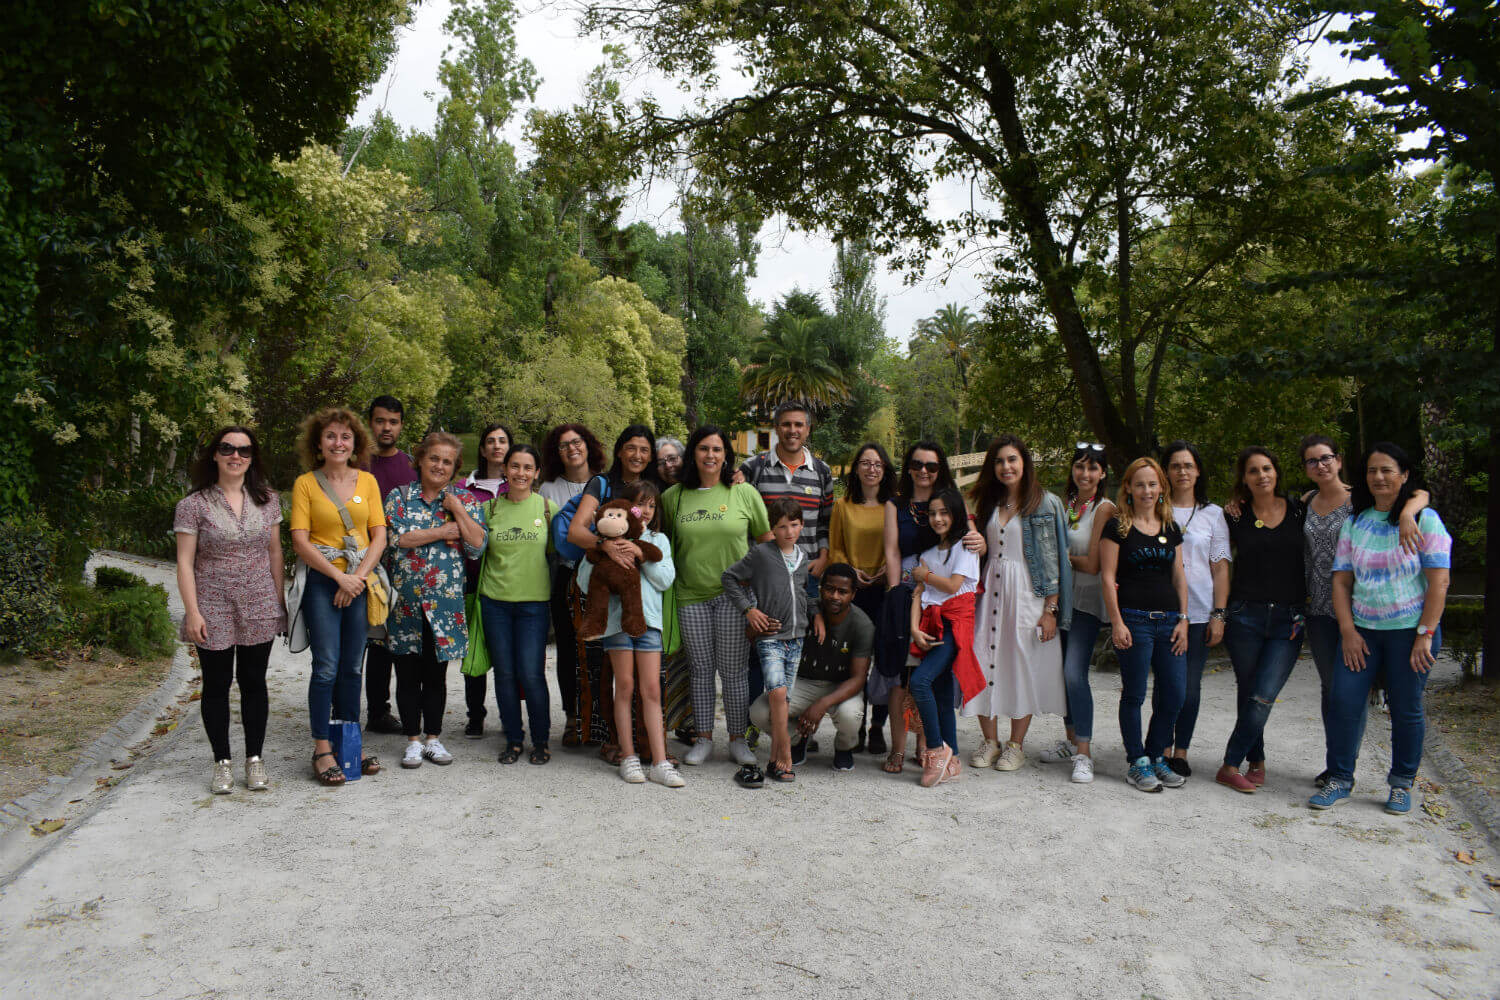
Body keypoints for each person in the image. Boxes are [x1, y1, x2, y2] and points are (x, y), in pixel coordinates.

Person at [1310, 443, 1451, 815]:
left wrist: (1425, 634)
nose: (1378, 477)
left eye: (1387, 470)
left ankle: (1402, 784)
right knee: (1344, 702)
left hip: (1411, 633)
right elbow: (1341, 582)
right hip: (1363, 633)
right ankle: (1340, 779)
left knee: (1405, 709)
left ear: (1404, 475)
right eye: (1372, 470)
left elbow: (1439, 582)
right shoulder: (1355, 523)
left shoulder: (1425, 520)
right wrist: (1348, 631)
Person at [1297, 433, 1428, 787]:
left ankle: (1346, 766)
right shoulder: (1305, 502)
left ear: (1338, 460)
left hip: (1362, 612)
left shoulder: (1364, 497)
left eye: (1326, 458)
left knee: (1356, 692)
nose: (1320, 465)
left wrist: (1409, 512)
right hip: (1320, 608)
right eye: (1312, 461)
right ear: (1306, 469)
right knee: (1334, 691)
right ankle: (1337, 766)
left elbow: (1417, 492)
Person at [174, 427, 287, 794]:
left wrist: (279, 602)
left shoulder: (268, 500)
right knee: (217, 684)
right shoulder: (193, 505)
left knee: (254, 682)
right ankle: (221, 762)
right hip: (212, 602)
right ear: (215, 454)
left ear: (252, 458)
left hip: (258, 601)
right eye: (227, 448)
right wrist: (193, 611)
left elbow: (275, 552)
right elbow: (184, 561)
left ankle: (254, 759)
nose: (235, 456)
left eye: (244, 450)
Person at [660, 425, 772, 768]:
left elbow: (766, 543)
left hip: (734, 597)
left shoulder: (744, 492)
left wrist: (765, 593)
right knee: (700, 670)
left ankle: (738, 739)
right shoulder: (674, 497)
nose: (710, 455)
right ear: (693, 453)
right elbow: (664, 544)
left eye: (717, 449)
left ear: (726, 455)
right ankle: (703, 738)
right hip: (690, 595)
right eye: (703, 448)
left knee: (734, 671)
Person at [963, 435, 1073, 776]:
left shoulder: (1045, 503)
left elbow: (1055, 558)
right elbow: (979, 549)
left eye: (1012, 459)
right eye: (999, 461)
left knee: (1021, 664)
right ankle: (990, 741)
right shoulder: (988, 502)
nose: (1006, 466)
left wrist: (1050, 610)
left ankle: (1015, 745)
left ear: (1024, 463)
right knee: (983, 660)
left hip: (1027, 593)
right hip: (989, 592)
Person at [289, 407, 388, 786]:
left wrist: (356, 579)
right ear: (318, 443)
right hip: (323, 582)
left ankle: (349, 744)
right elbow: (300, 541)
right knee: (326, 667)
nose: (338, 443)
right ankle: (321, 749)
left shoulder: (368, 482)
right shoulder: (306, 484)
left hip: (359, 582)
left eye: (345, 437)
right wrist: (338, 578)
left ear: (355, 443)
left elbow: (379, 535)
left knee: (352, 668)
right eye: (330, 436)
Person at [875, 441, 984, 774]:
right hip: (909, 594)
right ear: (908, 468)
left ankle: (929, 747)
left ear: (941, 469)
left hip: (942, 601)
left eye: (932, 466)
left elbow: (971, 541)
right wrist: (897, 593)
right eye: (917, 464)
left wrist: (981, 541)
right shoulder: (896, 505)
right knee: (901, 676)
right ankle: (899, 748)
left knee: (931, 679)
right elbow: (892, 551)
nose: (924, 471)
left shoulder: (949, 501)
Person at [383, 432, 488, 770]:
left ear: (455, 467)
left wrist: (457, 510)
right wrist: (442, 532)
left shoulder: (465, 500)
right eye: (434, 458)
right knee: (406, 673)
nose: (440, 466)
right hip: (406, 605)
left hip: (444, 607)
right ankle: (412, 741)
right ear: (420, 460)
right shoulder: (399, 497)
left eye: (447, 461)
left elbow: (477, 545)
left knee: (436, 674)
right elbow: (397, 539)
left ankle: (433, 738)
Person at [1211, 447, 1307, 793]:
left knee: (1264, 693)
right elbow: (1219, 560)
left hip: (1288, 619)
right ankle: (1256, 760)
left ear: (1276, 472)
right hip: (1245, 616)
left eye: (1267, 468)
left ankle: (1229, 763)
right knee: (1249, 690)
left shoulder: (1299, 509)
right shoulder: (1234, 516)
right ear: (1244, 478)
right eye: (1253, 471)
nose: (1261, 475)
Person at [577, 481, 684, 787]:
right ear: (625, 507)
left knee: (651, 690)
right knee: (623, 686)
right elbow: (584, 581)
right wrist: (605, 552)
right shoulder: (605, 540)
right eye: (639, 504)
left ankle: (660, 762)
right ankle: (628, 756)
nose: (645, 511)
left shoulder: (658, 540)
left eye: (651, 505)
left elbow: (665, 579)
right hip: (616, 624)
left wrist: (640, 554)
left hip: (650, 624)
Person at [738, 402, 835, 725]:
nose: (793, 430)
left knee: (800, 653)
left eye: (799, 425)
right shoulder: (754, 468)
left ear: (808, 429)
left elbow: (825, 522)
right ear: (776, 427)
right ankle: (753, 726)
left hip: (806, 577)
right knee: (760, 650)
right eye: (786, 424)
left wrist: (823, 555)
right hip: (765, 580)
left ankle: (795, 731)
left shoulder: (821, 471)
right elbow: (742, 520)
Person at [567, 424, 660, 753]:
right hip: (601, 587)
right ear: (619, 450)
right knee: (604, 670)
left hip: (643, 593)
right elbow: (575, 531)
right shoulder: (602, 484)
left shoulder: (653, 488)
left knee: (647, 678)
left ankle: (646, 743)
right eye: (631, 447)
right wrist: (603, 545)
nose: (637, 455)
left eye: (644, 450)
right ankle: (612, 741)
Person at [1100, 457, 1189, 793]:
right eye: (1140, 484)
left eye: (1152, 484)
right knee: (1135, 693)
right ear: (1129, 488)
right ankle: (1137, 761)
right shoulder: (1118, 527)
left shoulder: (1170, 527)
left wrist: (1183, 619)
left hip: (1169, 622)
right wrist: (1117, 622)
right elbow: (1107, 578)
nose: (1147, 490)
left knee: (1174, 694)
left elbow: (1179, 576)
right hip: (1134, 621)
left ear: (1161, 488)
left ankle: (1155, 755)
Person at [1037, 444, 1117, 781]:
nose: (1085, 474)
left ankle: (1084, 752)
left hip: (1086, 602)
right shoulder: (1067, 504)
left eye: (1093, 468)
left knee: (1074, 674)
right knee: (1061, 673)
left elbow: (1094, 563)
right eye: (1080, 466)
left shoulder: (1104, 508)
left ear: (1102, 473)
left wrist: (1057, 559)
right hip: (1062, 601)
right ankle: (1071, 741)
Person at [749, 565, 874, 774]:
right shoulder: (804, 610)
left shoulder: (863, 625)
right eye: (829, 589)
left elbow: (858, 678)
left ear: (853, 594)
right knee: (759, 712)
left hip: (840, 685)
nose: (834, 596)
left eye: (842, 591)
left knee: (850, 715)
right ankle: (797, 739)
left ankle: (844, 747)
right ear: (821, 588)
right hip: (803, 681)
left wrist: (822, 704)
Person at [721, 498, 812, 782]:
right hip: (770, 636)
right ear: (772, 529)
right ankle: (785, 752)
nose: (789, 532)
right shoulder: (761, 553)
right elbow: (729, 578)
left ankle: (774, 761)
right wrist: (749, 610)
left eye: (794, 525)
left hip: (796, 638)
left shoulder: (804, 557)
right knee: (777, 693)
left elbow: (804, 593)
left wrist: (814, 619)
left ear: (802, 525)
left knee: (784, 700)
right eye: (782, 527)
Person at [477, 444, 555, 765]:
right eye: (515, 466)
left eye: (527, 468)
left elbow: (562, 551)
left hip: (534, 605)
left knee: (531, 673)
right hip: (495, 603)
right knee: (505, 674)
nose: (520, 473)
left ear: (537, 473)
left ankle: (541, 740)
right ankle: (513, 739)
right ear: (504, 470)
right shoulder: (490, 509)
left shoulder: (547, 508)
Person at [1157, 441, 1230, 779]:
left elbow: (1220, 567)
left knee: (1189, 686)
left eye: (1188, 465)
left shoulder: (1214, 514)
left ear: (1198, 471)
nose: (1182, 471)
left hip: (1200, 611)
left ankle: (1181, 750)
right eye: (1175, 465)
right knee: (1164, 684)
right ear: (1166, 472)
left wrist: (1219, 614)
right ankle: (1161, 747)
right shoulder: (1155, 508)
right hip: (1161, 608)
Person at [908, 488, 982, 788]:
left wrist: (923, 575)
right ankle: (953, 760)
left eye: (944, 512)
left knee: (919, 682)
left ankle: (936, 749)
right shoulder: (927, 555)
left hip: (955, 624)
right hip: (930, 624)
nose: (938, 518)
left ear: (956, 515)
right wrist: (914, 629)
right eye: (933, 513)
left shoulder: (965, 547)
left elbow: (952, 586)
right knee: (939, 690)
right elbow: (918, 595)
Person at [538, 423, 607, 748]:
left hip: (601, 575)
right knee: (568, 650)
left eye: (576, 442)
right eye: (563, 445)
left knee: (601, 650)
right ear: (557, 453)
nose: (571, 449)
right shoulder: (548, 489)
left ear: (588, 444)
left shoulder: (605, 482)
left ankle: (601, 718)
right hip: (565, 576)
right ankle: (572, 717)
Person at [827, 442, 894, 754]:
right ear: (856, 469)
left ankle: (878, 725)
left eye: (877, 464)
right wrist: (851, 572)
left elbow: (899, 546)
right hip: (852, 592)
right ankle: (856, 725)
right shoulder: (842, 506)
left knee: (884, 661)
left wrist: (887, 568)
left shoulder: (894, 505)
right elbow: (835, 546)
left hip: (885, 590)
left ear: (885, 470)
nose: (871, 469)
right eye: (865, 463)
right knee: (855, 662)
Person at [363, 395, 418, 735]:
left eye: (393, 422)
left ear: (401, 426)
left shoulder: (411, 466)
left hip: (399, 566)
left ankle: (386, 711)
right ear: (370, 423)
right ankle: (354, 712)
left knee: (390, 643)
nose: (387, 427)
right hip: (359, 565)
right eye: (381, 421)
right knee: (361, 644)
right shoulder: (357, 463)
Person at [459, 422, 511, 738]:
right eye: (490, 441)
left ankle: (508, 715)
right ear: (482, 449)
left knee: (507, 654)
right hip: (472, 578)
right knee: (475, 650)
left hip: (508, 580)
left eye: (502, 440)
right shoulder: (464, 488)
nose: (496, 446)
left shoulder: (518, 485)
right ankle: (475, 715)